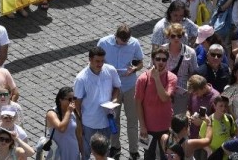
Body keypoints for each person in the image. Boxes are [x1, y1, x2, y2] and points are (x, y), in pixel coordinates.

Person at [97, 25, 143, 159]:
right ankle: (115, 146)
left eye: (126, 40)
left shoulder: (134, 43)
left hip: (129, 86)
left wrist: (134, 69)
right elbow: (97, 61)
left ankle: (134, 150)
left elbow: (140, 62)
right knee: (113, 118)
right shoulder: (104, 43)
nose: (124, 43)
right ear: (115, 36)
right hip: (111, 87)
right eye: (122, 40)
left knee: (133, 120)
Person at [73, 46, 121, 159]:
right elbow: (77, 103)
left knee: (105, 152)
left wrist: (113, 101)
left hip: (106, 120)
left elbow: (117, 87)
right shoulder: (81, 78)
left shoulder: (110, 70)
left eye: (102, 61)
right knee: (86, 152)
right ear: (90, 60)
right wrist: (79, 125)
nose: (100, 64)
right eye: (97, 61)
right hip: (89, 123)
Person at [136, 47, 177, 160]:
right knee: (148, 156)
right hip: (147, 128)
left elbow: (164, 98)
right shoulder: (142, 79)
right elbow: (138, 103)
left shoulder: (172, 78)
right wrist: (142, 126)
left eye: (164, 60)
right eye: (158, 59)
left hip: (166, 127)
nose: (161, 62)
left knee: (167, 156)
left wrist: (157, 79)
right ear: (153, 60)